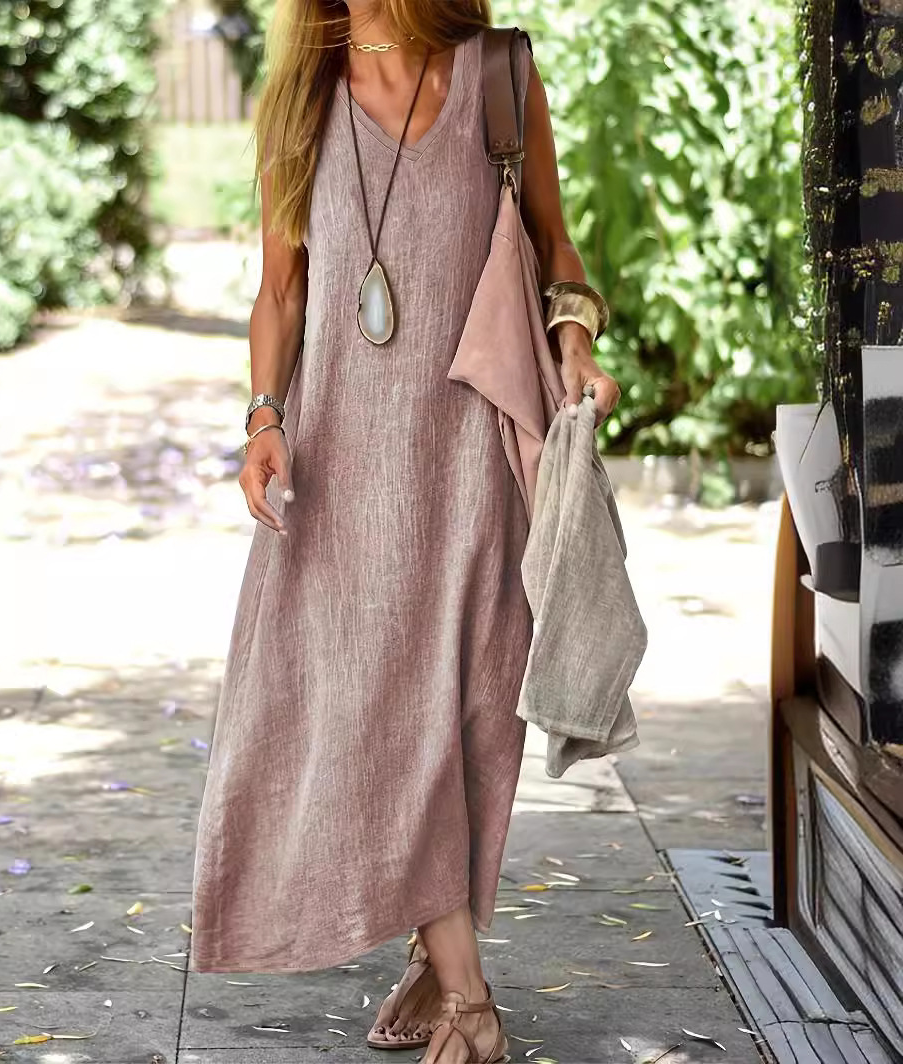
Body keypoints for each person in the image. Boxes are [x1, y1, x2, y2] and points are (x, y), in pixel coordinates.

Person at [190, 2, 622, 1061]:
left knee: (467, 710)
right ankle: (469, 995)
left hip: (474, 452)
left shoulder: (498, 73)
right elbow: (280, 289)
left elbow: (553, 244)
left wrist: (573, 340)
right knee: (381, 707)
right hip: (345, 465)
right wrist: (263, 419)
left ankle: (437, 953)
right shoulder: (301, 96)